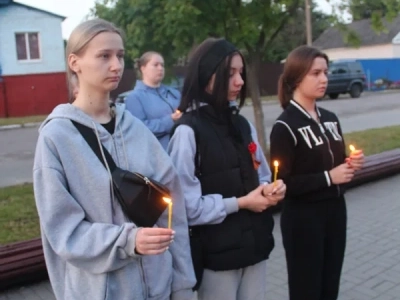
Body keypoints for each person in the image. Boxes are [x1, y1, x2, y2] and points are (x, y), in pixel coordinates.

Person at [33, 19, 195, 300]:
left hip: (159, 289)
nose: (116, 65)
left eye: (120, 56)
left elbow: (173, 212)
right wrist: (128, 241)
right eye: (104, 56)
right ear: (75, 62)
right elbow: (63, 231)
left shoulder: (135, 128)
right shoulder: (56, 137)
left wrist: (182, 284)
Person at [167, 38, 286, 300]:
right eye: (230, 73)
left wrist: (272, 189)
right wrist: (243, 203)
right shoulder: (188, 132)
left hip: (255, 248)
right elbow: (188, 208)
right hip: (216, 258)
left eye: (241, 73)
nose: (240, 81)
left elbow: (263, 176)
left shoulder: (242, 125)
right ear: (206, 76)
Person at [269, 45, 365, 300]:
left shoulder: (331, 118)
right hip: (303, 219)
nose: (324, 79)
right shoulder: (285, 126)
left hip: (335, 212)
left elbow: (333, 161)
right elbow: (282, 184)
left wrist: (351, 163)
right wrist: (328, 177)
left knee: (329, 285)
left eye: (325, 72)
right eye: (316, 73)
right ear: (297, 77)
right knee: (306, 289)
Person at [125, 51, 182, 149]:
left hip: (182, 150)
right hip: (157, 155)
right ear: (143, 68)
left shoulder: (174, 93)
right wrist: (170, 120)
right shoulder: (134, 98)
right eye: (155, 65)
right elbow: (139, 129)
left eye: (162, 65)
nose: (160, 68)